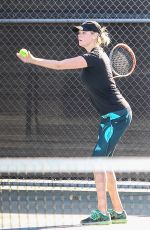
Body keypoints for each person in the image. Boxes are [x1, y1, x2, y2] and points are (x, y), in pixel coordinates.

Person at [17, 21, 132, 225]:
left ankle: (102, 212)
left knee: (98, 160)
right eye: (79, 32)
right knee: (104, 161)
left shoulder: (94, 57)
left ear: (96, 36)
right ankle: (119, 211)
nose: (80, 34)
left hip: (117, 115)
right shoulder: (98, 57)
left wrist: (33, 60)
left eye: (85, 32)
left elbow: (60, 65)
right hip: (112, 116)